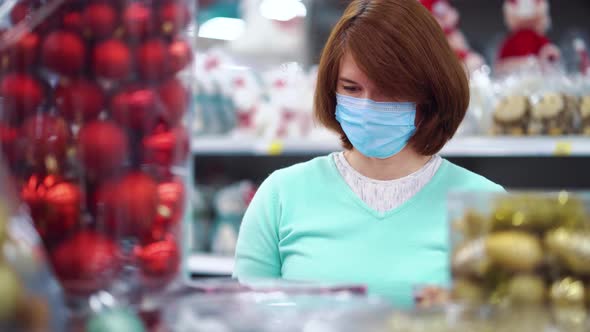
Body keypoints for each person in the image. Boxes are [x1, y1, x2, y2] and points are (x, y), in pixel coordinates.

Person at [233, 0, 503, 308]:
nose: (368, 106)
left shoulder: (485, 204)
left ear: (430, 91)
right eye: (351, 88)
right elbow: (244, 318)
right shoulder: (280, 196)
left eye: (390, 90)